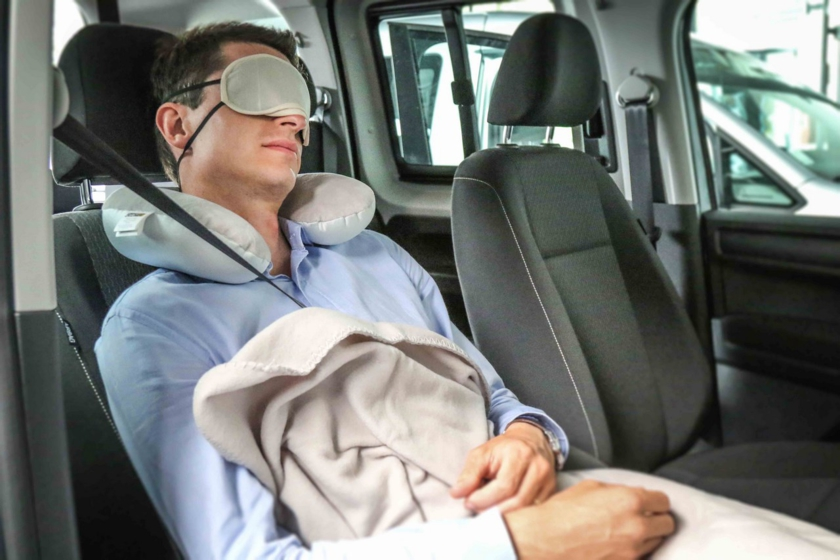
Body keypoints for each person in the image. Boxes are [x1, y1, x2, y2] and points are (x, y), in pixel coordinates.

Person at [95, 22, 675, 559]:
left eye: (299, 99)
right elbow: (242, 553)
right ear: (178, 126)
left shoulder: (377, 256)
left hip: (524, 502)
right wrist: (517, 545)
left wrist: (528, 437)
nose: (293, 118)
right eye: (260, 89)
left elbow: (492, 395)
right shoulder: (152, 325)